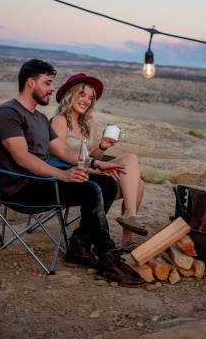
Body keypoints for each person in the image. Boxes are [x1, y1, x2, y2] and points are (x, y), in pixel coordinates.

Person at [0, 59, 144, 286]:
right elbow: (22, 157)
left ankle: (79, 247)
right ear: (31, 83)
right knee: (90, 188)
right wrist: (62, 175)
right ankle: (108, 258)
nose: (52, 89)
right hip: (20, 187)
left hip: (42, 181)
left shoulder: (40, 118)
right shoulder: (8, 113)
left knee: (107, 183)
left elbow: (62, 150)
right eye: (48, 83)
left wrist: (97, 164)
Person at [51, 73, 147, 250]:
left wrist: (103, 146)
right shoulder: (60, 120)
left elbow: (94, 156)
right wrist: (95, 168)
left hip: (91, 171)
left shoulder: (90, 124)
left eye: (90, 97)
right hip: (70, 176)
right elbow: (60, 155)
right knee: (135, 181)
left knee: (134, 170)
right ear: (70, 94)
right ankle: (128, 218)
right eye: (82, 94)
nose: (86, 100)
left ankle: (128, 236)